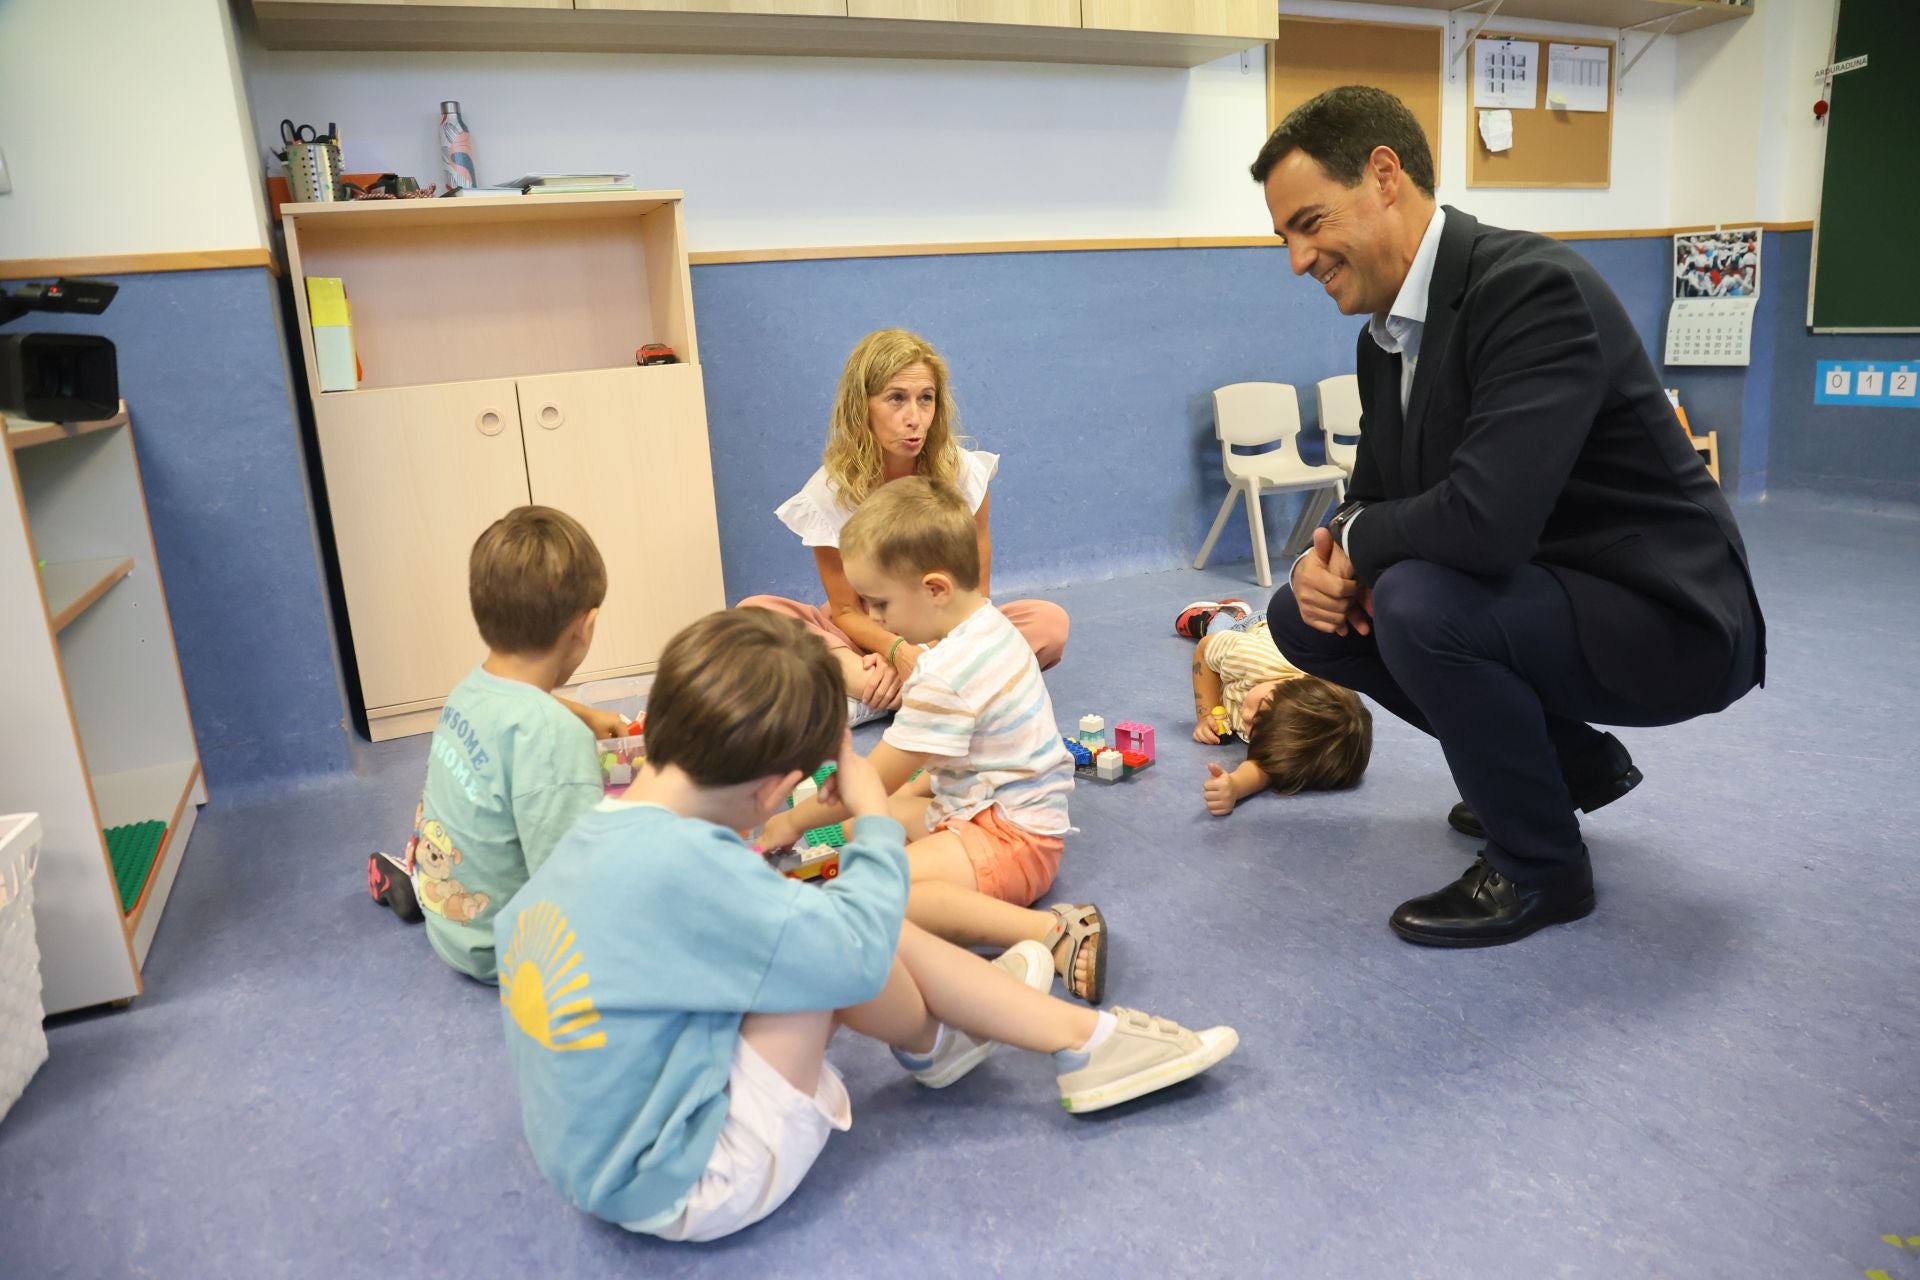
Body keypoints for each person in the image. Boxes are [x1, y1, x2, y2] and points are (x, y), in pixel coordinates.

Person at [494, 608, 1238, 1242]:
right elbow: (855, 953)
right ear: (778, 788)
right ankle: (1055, 1037)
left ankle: (965, 1026)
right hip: (686, 1183)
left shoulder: (594, 832)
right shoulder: (694, 871)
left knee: (810, 932)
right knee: (831, 935)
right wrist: (874, 820)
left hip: (587, 1158)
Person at [1249, 86, 1765, 947]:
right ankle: (1563, 762)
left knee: (1416, 600)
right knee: (1301, 614)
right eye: (1284, 239)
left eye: (1309, 223)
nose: (1298, 260)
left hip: (1667, 614)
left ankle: (1541, 868)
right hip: (1547, 591)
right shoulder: (1384, 338)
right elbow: (1373, 492)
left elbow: (1486, 523)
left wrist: (1364, 542)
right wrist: (1328, 552)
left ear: (1385, 176)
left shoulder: (1530, 290)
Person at [759, 478, 1107, 1003]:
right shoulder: (986, 624)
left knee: (876, 896)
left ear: (935, 589)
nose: (872, 620)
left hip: (1014, 842)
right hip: (980, 809)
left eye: (879, 604)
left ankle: (1052, 933)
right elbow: (937, 767)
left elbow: (868, 780)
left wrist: (789, 822)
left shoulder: (944, 675)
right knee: (874, 820)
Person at [740, 329, 1069, 724]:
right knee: (754, 615)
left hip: (946, 631)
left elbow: (975, 592)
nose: (914, 418)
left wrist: (933, 649)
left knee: (1049, 624)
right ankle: (926, 692)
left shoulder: (964, 473)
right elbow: (846, 611)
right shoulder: (828, 493)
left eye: (925, 399)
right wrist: (898, 651)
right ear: (862, 406)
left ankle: (872, 695)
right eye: (896, 398)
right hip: (869, 633)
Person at [366, 507, 609, 980]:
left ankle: (411, 878)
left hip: (451, 921)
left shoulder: (470, 688)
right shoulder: (557, 741)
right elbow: (577, 886)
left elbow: (522, 707)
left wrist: (585, 712)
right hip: (506, 952)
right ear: (586, 626)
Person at [1179, 604, 1373, 816]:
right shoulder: (1253, 659)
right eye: (1260, 711)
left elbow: (1268, 768)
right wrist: (1207, 714)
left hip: (1249, 677)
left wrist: (1235, 786)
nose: (1245, 716)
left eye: (1255, 730)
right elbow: (1205, 651)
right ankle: (1228, 613)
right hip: (1258, 630)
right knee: (1218, 633)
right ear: (1290, 685)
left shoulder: (1298, 739)